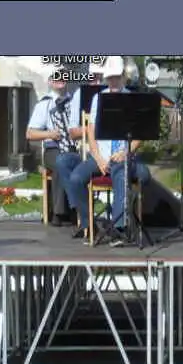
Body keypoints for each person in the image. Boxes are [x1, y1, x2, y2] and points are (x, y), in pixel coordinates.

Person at [66, 55, 153, 243]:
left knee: (121, 175)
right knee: (75, 179)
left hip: (121, 155)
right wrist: (98, 158)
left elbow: (140, 134)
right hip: (101, 155)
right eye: (110, 77)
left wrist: (126, 152)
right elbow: (91, 130)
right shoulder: (99, 98)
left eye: (116, 77)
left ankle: (118, 229)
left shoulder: (132, 99)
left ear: (123, 77)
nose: (112, 81)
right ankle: (90, 224)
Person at [26, 66, 80, 225]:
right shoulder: (45, 103)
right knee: (60, 162)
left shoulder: (76, 101)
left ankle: (78, 209)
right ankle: (60, 212)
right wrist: (50, 134)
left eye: (63, 76)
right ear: (50, 81)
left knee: (80, 164)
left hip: (75, 147)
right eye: (56, 76)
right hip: (53, 148)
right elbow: (30, 134)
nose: (60, 79)